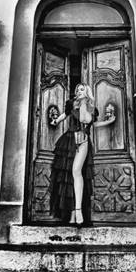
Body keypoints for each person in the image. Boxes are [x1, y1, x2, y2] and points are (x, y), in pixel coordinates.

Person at [49, 83, 115, 225]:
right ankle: (73, 213)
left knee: (76, 171)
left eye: (81, 89)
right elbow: (64, 115)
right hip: (69, 141)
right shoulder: (72, 104)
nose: (78, 91)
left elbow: (92, 124)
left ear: (87, 92)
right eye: (77, 89)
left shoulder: (92, 108)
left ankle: (78, 210)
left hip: (84, 142)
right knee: (69, 177)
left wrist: (108, 122)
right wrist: (55, 121)